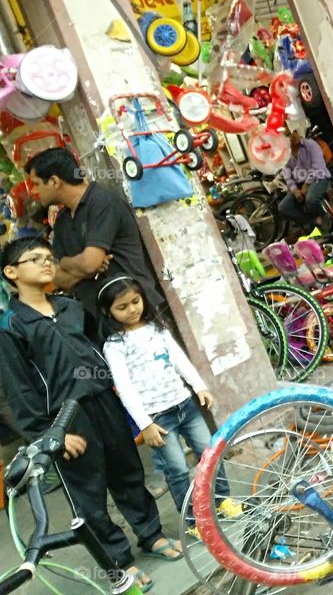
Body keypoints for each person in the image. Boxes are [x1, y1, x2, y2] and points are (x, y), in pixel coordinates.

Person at [0, 237, 182, 592]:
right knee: (88, 493)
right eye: (35, 259)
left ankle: (151, 534)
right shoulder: (11, 327)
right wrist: (49, 434)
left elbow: (101, 349)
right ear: (11, 272)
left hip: (103, 401)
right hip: (65, 420)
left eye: (49, 257)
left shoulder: (70, 307)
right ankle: (118, 562)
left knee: (128, 472)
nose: (47, 262)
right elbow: (19, 391)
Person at [98, 275, 241, 537]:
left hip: (185, 405)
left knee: (210, 453)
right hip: (157, 418)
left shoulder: (158, 328)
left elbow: (179, 360)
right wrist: (145, 424)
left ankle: (222, 499)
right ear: (109, 312)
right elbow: (125, 388)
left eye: (135, 301)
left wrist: (199, 387)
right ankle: (193, 522)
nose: (132, 309)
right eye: (122, 307)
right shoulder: (115, 346)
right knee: (177, 470)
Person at [24, 148, 163, 321]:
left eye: (36, 184)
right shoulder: (61, 222)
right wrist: (83, 266)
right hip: (101, 320)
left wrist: (69, 263)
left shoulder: (102, 203)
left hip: (136, 315)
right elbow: (58, 277)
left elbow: (89, 264)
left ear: (54, 181)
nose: (34, 191)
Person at [278, 125, 332, 228]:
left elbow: (317, 166)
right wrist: (295, 191)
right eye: (288, 135)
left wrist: (306, 185)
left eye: (294, 131)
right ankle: (313, 222)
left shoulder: (310, 144)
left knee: (310, 200)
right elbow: (288, 176)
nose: (294, 135)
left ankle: (327, 219)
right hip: (300, 184)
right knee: (283, 208)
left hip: (319, 178)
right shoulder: (285, 155)